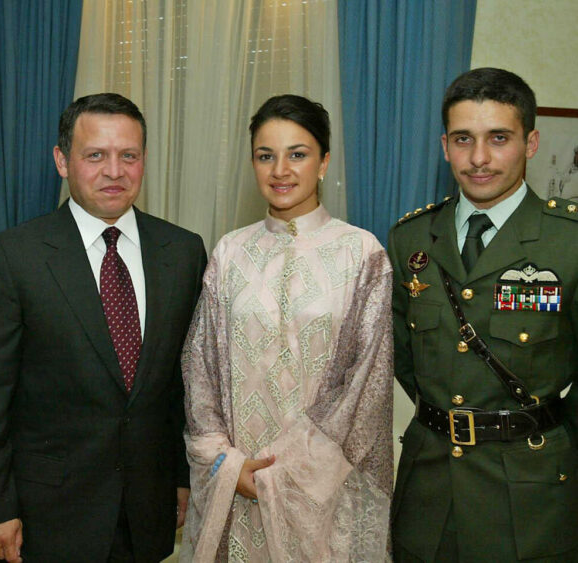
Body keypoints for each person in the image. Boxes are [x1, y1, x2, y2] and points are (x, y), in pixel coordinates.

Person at [0, 92, 207, 562]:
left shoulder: (183, 252)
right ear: (62, 161)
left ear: (143, 161)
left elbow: (183, 384)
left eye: (127, 155)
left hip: (147, 510)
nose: (114, 171)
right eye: (95, 155)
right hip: (44, 516)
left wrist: (181, 476)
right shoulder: (13, 257)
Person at [181, 94, 394, 561]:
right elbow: (201, 367)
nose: (280, 170)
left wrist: (287, 472)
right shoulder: (230, 252)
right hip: (235, 483)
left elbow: (366, 383)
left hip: (325, 489)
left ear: (324, 163)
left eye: (297, 154)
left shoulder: (363, 254)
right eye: (265, 156)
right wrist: (225, 461)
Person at [389, 68, 578, 562]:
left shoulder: (569, 241)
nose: (478, 159)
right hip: (429, 489)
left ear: (531, 143)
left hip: (531, 494)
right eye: (462, 139)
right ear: (444, 146)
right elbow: (405, 360)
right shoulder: (411, 239)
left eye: (499, 138)